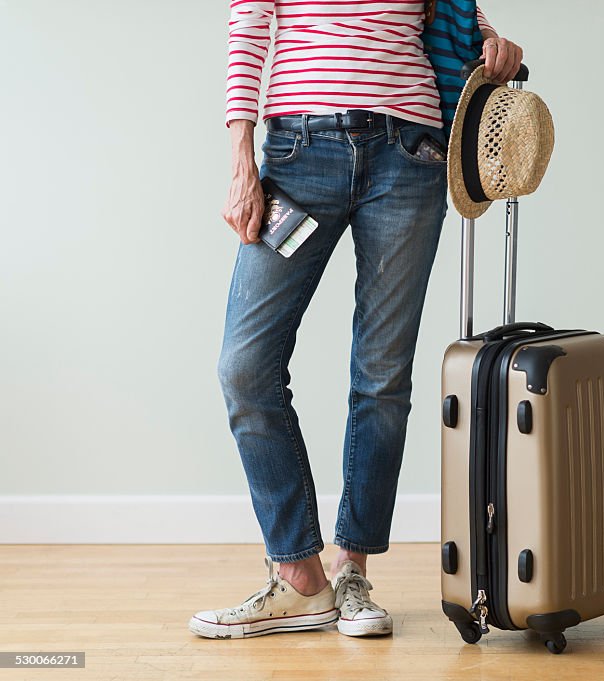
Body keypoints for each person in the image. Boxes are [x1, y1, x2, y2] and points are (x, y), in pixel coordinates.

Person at [188, 1, 523, 640]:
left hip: (411, 153)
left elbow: (453, 15)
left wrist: (492, 42)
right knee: (245, 367)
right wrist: (240, 158)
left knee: (382, 379)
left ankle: (352, 568)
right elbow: (249, 25)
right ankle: (299, 578)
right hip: (298, 150)